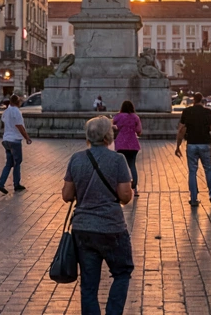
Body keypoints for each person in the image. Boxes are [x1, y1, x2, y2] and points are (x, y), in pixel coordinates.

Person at [63, 116, 134, 315]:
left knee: (88, 284)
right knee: (121, 272)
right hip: (112, 228)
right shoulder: (118, 160)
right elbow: (125, 196)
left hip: (83, 228)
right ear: (107, 136)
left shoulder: (76, 159)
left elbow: (67, 195)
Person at [174, 92, 211, 207]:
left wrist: (178, 146)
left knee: (192, 172)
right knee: (209, 170)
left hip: (191, 144)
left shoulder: (187, 112)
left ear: (193, 100)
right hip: (205, 144)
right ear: (202, 100)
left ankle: (194, 198)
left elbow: (181, 130)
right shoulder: (207, 112)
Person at [0, 95, 32, 194]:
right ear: (18, 102)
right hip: (15, 140)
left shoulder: (6, 111)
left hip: (6, 140)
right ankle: (16, 184)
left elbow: (3, 124)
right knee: (17, 163)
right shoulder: (16, 111)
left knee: (9, 163)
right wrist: (27, 138)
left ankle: (1, 183)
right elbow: (19, 126)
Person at [112, 100, 143, 197]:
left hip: (121, 144)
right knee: (132, 165)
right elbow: (139, 131)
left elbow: (113, 125)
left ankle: (119, 188)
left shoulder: (119, 116)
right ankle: (135, 189)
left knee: (120, 166)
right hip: (133, 144)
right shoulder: (135, 117)